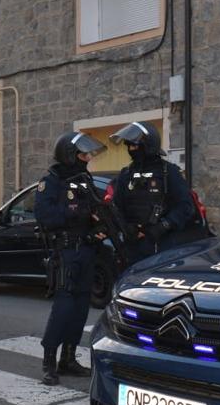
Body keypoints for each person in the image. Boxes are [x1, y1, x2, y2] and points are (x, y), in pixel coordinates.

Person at [36, 131, 107, 386]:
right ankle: (49, 362)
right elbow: (44, 215)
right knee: (63, 307)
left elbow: (95, 207)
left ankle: (69, 358)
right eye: (82, 154)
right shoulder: (51, 181)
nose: (87, 158)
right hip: (65, 252)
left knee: (79, 308)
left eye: (88, 154)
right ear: (68, 155)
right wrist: (74, 212)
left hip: (86, 250)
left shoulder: (84, 179)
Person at [109, 121, 197, 266]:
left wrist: (162, 227)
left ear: (148, 146)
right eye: (129, 146)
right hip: (132, 246)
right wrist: (126, 227)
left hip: (162, 245)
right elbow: (116, 207)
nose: (131, 150)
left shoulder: (169, 172)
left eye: (135, 146)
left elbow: (186, 207)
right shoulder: (126, 174)